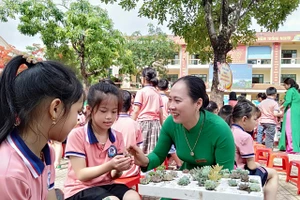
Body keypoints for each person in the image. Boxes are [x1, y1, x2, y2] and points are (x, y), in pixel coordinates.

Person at [0, 55, 84, 199]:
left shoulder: (46, 152)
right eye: (78, 112)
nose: (78, 120)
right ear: (55, 109)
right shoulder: (9, 174)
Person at [128, 75, 235, 174]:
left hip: (214, 183)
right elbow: (158, 154)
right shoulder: (170, 123)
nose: (171, 106)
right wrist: (145, 160)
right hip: (184, 179)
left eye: (177, 100)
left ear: (198, 103)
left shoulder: (220, 129)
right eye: (170, 99)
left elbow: (225, 173)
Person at [64, 82, 140, 200]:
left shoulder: (117, 136)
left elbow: (114, 175)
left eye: (114, 112)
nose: (109, 116)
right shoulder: (77, 135)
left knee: (133, 196)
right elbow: (81, 174)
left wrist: (120, 168)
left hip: (106, 186)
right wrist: (110, 165)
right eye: (103, 111)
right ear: (89, 109)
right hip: (79, 189)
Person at [227, 99, 278, 200]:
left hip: (228, 169)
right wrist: (259, 165)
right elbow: (251, 165)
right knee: (273, 174)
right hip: (241, 173)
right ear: (244, 119)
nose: (257, 123)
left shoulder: (228, 130)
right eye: (255, 119)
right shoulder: (245, 136)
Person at [112, 90, 143, 178]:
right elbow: (139, 148)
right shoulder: (135, 124)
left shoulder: (109, 123)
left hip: (111, 171)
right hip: (131, 170)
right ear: (130, 107)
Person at [132, 67, 163, 154]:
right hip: (155, 124)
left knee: (140, 151)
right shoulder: (157, 93)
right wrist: (162, 126)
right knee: (151, 152)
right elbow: (160, 112)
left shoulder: (141, 92)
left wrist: (131, 123)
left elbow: (136, 111)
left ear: (144, 78)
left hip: (143, 123)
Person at [157, 78, 182, 169]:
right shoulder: (166, 99)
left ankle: (178, 163)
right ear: (167, 88)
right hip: (165, 121)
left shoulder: (158, 97)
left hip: (161, 123)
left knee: (168, 147)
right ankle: (177, 163)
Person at [278, 78, 300, 153]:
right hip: (297, 112)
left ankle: (291, 148)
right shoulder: (296, 91)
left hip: (291, 112)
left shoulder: (290, 91)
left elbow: (288, 101)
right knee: (296, 130)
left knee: (289, 130)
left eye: (285, 85)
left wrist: (279, 108)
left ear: (289, 85)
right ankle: (295, 147)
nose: (284, 86)